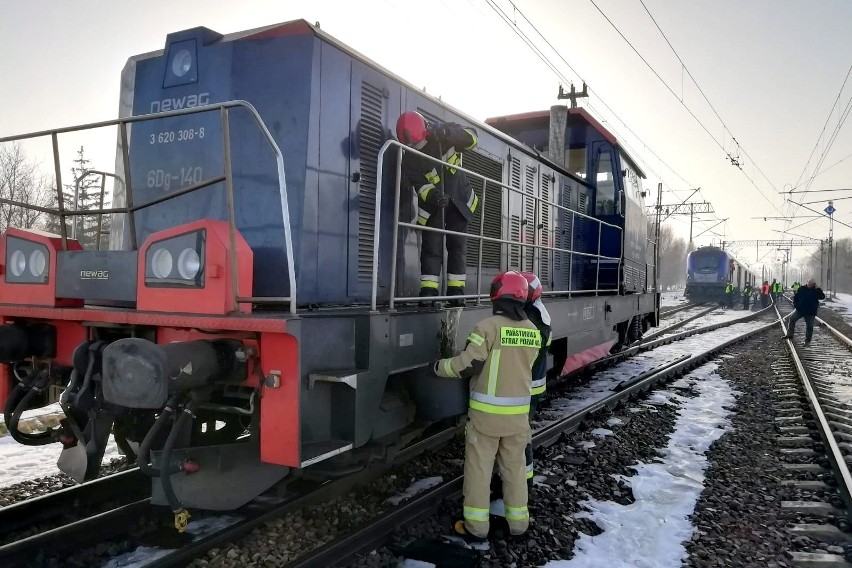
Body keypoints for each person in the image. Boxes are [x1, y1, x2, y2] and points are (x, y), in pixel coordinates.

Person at [433, 271, 540, 541]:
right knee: (515, 470)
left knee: (479, 471)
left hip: (487, 418)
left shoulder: (487, 327)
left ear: (497, 295)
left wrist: (438, 367)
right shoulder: (532, 332)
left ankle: (477, 528)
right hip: (518, 418)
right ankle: (519, 525)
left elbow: (469, 364)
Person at [396, 111, 479, 306]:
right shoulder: (409, 159)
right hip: (434, 207)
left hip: (459, 202)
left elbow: (473, 139)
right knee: (431, 249)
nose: (417, 148)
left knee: (457, 248)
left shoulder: (443, 134)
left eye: (418, 143)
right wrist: (433, 196)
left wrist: (450, 133)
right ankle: (428, 292)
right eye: (412, 146)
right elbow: (420, 185)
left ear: (425, 132)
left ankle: (455, 292)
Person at [520, 271, 551, 492]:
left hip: (527, 388)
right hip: (530, 386)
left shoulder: (534, 319)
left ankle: (524, 485)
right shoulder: (538, 312)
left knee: (520, 439)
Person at [783, 278, 825, 347]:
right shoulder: (802, 288)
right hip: (800, 310)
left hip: (810, 312)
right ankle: (789, 334)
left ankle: (807, 341)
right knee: (792, 319)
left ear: (814, 284)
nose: (809, 284)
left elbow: (822, 297)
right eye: (809, 283)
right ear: (807, 282)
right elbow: (796, 297)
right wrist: (796, 304)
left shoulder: (816, 290)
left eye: (811, 284)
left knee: (809, 327)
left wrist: (818, 289)